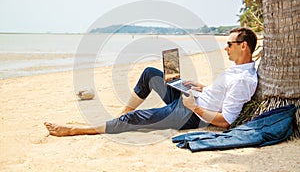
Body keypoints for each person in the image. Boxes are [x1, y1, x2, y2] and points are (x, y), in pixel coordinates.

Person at [44, 27, 258, 136]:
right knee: (150, 73)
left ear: (244, 46)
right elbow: (220, 95)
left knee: (136, 118)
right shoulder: (237, 69)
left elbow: (225, 121)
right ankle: (119, 118)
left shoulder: (243, 80)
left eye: (229, 44)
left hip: (190, 114)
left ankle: (75, 129)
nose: (225, 47)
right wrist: (200, 86)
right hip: (193, 100)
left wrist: (195, 108)